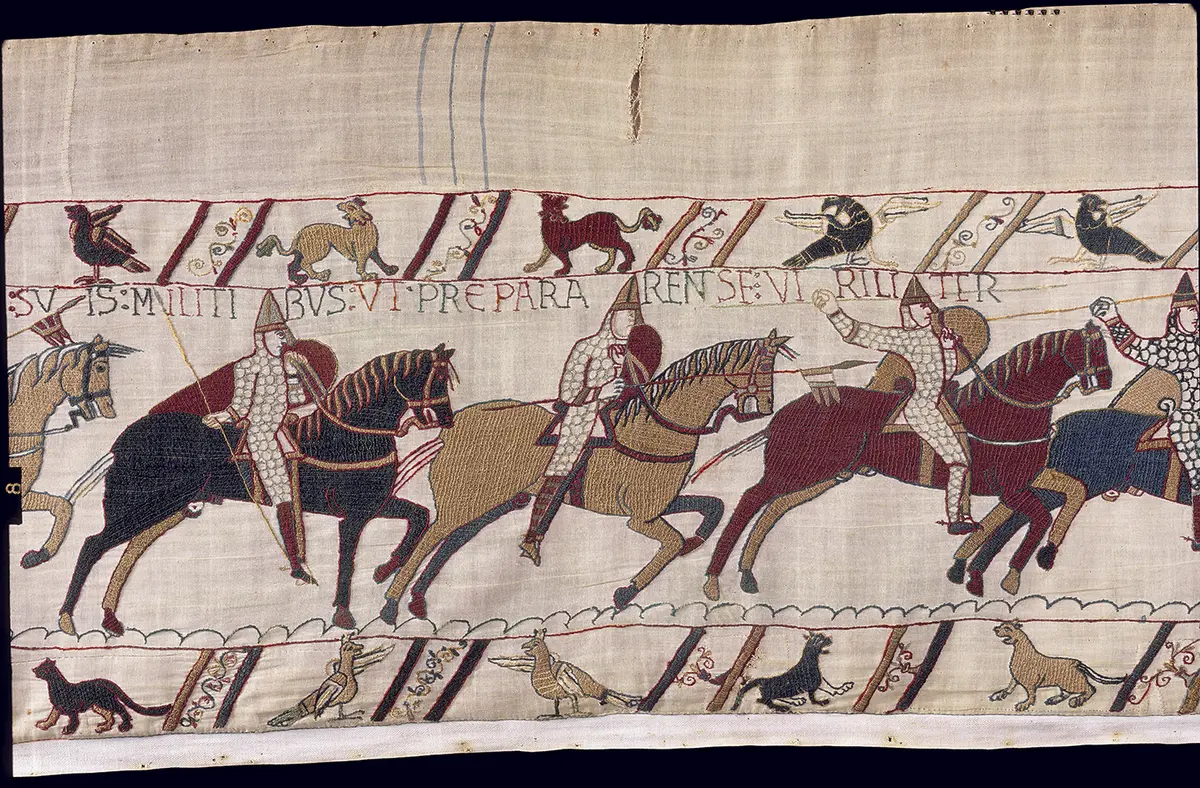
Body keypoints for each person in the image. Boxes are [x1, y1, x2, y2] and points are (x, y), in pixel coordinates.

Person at [811, 278, 977, 534]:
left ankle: (960, 516)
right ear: (907, 310)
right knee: (958, 462)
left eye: (929, 305)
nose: (928, 310)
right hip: (922, 409)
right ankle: (955, 519)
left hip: (931, 405)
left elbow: (944, 376)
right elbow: (862, 334)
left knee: (961, 462)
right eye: (921, 305)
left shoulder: (933, 337)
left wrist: (948, 348)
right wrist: (834, 312)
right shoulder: (906, 339)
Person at [519, 277, 660, 566]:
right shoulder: (587, 347)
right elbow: (568, 391)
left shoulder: (636, 351)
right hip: (585, 415)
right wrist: (600, 392)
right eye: (625, 314)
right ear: (611, 316)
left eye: (634, 316)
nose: (630, 320)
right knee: (565, 463)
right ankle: (533, 536)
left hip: (623, 415)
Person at [203, 292, 328, 582]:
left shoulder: (284, 365)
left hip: (281, 430)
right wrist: (222, 417)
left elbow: (295, 400)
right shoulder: (248, 366)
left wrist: (296, 373)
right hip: (261, 434)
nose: (283, 341)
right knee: (284, 494)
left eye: (284, 335)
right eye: (277, 335)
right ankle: (295, 562)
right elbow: (240, 406)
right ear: (262, 337)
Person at [1091, 273, 1200, 550]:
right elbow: (1136, 347)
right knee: (1197, 470)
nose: (1196, 315)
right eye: (1190, 310)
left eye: (1196, 309)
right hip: (1187, 420)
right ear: (1176, 315)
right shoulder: (1172, 349)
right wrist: (1112, 318)